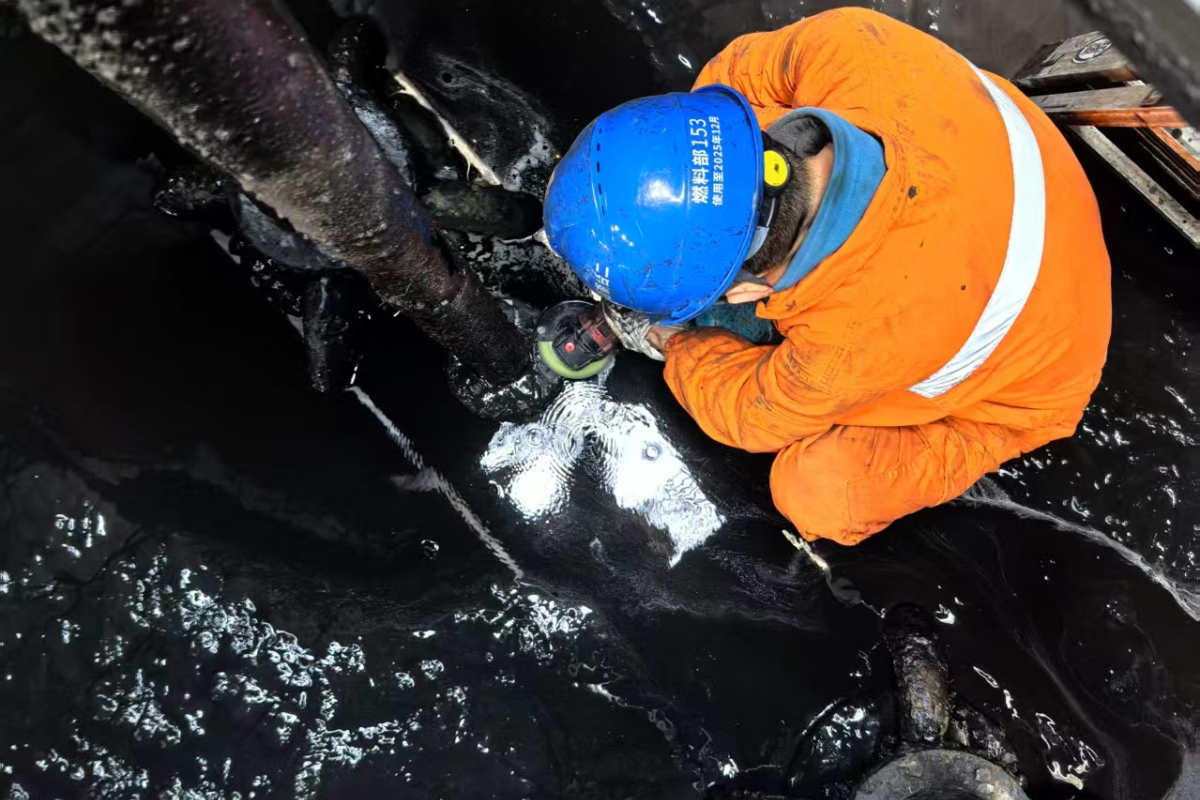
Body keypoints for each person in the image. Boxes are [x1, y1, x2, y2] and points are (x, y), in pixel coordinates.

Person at [542, 8, 1112, 546]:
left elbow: (744, 413)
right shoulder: (850, 44)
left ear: (746, 292)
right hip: (1035, 171)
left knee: (817, 494)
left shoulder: (845, 351)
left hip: (1048, 364)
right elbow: (725, 89)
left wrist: (669, 338)